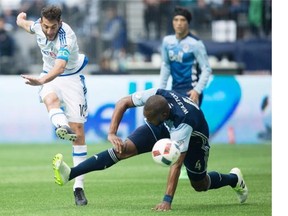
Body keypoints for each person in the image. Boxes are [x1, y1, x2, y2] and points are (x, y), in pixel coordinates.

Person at [53, 88, 248, 211]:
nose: (146, 121)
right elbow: (123, 102)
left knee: (200, 184)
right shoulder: (158, 95)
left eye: (149, 118)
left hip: (196, 137)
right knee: (122, 149)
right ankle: (71, 173)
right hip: (163, 125)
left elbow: (176, 165)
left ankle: (234, 179)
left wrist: (167, 200)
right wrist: (112, 133)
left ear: (163, 114)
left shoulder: (183, 124)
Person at [16, 5, 89, 206]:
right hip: (49, 77)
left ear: (60, 23)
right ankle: (60, 125)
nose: (49, 31)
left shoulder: (67, 37)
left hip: (70, 78)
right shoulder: (38, 26)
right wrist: (20, 18)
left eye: (53, 27)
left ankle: (78, 186)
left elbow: (60, 67)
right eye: (46, 26)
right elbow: (24, 24)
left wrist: (41, 81)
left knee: (79, 131)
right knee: (50, 99)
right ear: (42, 22)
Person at [158, 6, 212, 179]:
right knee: (173, 127)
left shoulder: (196, 44)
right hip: (175, 91)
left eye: (182, 20)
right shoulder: (167, 41)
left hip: (191, 92)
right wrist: (162, 89)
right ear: (172, 23)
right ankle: (177, 164)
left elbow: (206, 69)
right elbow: (166, 65)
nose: (179, 24)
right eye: (176, 20)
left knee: (187, 130)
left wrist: (197, 90)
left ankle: (186, 166)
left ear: (187, 23)